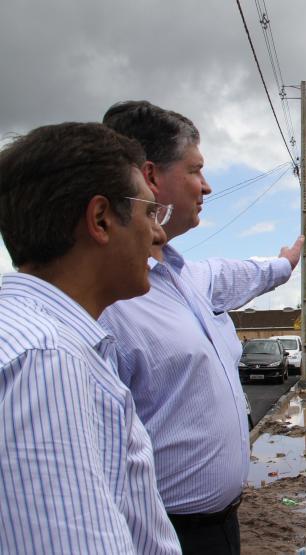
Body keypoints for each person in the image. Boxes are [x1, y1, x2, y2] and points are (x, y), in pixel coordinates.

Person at [98, 100, 304, 555]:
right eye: (196, 170)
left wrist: (283, 265)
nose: (207, 186)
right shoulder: (106, 301)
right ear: (149, 177)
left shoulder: (185, 276)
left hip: (222, 526)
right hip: (164, 535)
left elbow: (241, 272)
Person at [0, 122, 180, 553]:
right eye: (150, 212)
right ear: (100, 219)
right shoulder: (47, 361)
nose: (159, 234)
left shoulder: (34, 336)